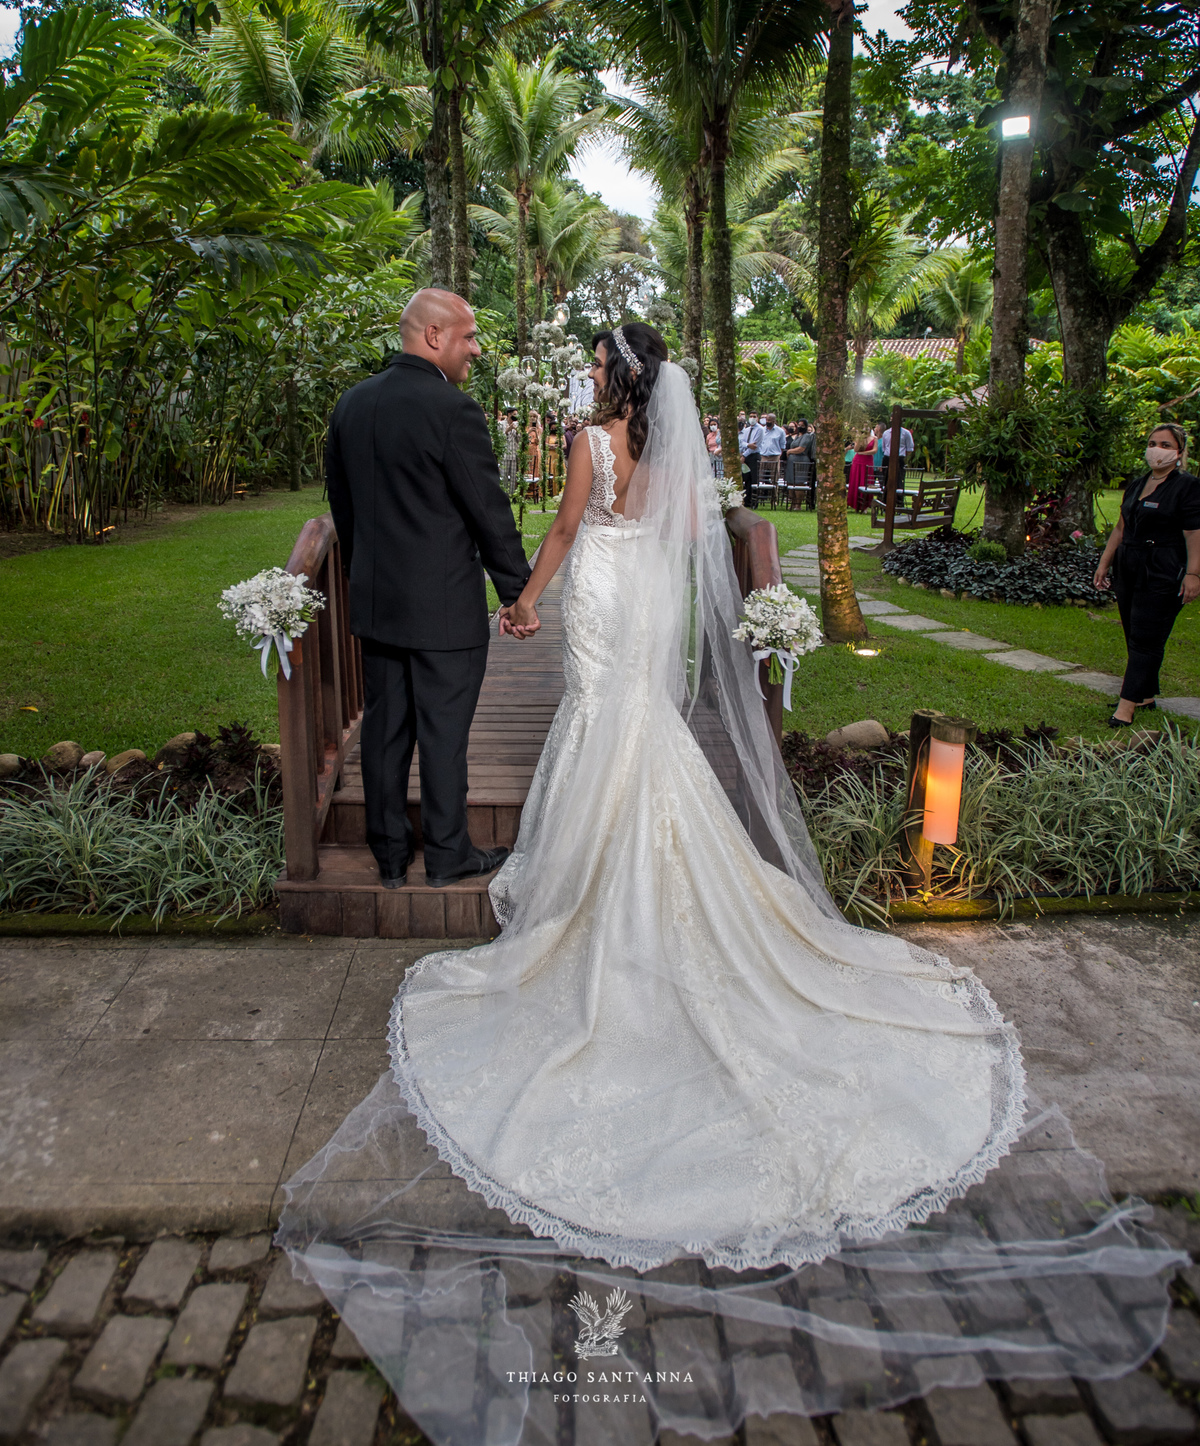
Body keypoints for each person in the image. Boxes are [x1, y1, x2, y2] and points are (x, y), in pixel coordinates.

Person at [287, 322, 1178, 1442]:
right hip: (650, 599)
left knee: (597, 717)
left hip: (601, 592)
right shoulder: (672, 447)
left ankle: (599, 885)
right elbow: (691, 536)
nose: (592, 381)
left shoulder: (588, 442)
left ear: (612, 377)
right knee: (642, 724)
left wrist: (527, 599)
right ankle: (667, 873)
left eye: (597, 367)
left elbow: (566, 526)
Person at [324, 289, 532, 891]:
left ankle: (389, 855)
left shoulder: (352, 404)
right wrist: (517, 593)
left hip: (376, 602)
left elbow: (345, 510)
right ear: (435, 336)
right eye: (468, 336)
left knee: (386, 730)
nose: (475, 349)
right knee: (443, 732)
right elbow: (488, 512)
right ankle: (447, 856)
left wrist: (363, 577)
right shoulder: (452, 410)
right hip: (442, 610)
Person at [1094, 423, 1200, 726]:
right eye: (1153, 443)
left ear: (1179, 452)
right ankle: (1145, 694)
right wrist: (1105, 562)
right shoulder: (1138, 484)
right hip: (1129, 563)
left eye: (1165, 445)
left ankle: (1125, 708)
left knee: (1146, 636)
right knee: (1132, 629)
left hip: (1163, 567)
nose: (1157, 450)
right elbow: (1120, 526)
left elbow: (1194, 533)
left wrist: (1194, 574)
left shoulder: (1187, 486)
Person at [879, 417, 915, 493]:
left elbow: (909, 449)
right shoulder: (886, 433)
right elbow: (884, 448)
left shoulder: (906, 433)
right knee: (886, 480)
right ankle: (885, 500)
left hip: (899, 459)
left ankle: (899, 501)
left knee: (899, 481)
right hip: (887, 458)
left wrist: (901, 457)